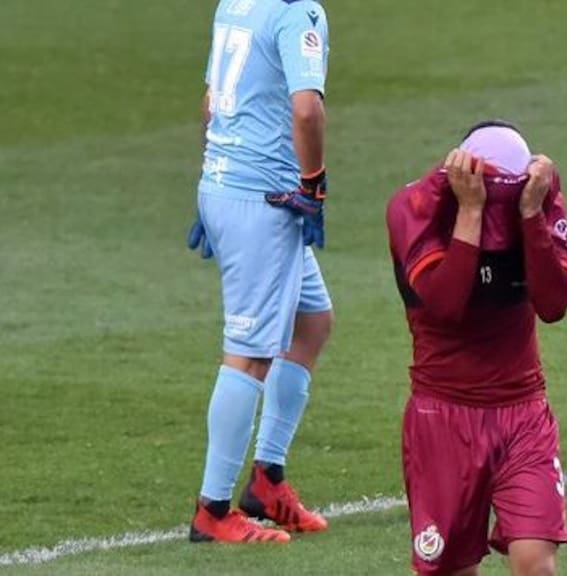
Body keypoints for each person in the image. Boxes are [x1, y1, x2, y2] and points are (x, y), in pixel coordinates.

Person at [386, 120, 567, 575]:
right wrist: (471, 214)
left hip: (523, 414)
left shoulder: (537, 199)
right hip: (443, 418)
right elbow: (447, 305)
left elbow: (553, 304)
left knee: (535, 562)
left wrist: (530, 216)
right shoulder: (416, 211)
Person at [185, 0, 333, 544]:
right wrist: (313, 185)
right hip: (267, 201)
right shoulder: (300, 14)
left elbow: (210, 104)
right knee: (248, 356)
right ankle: (212, 508)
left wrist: (211, 187)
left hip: (229, 187)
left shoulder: (236, 2)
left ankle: (267, 480)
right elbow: (307, 110)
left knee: (312, 321)